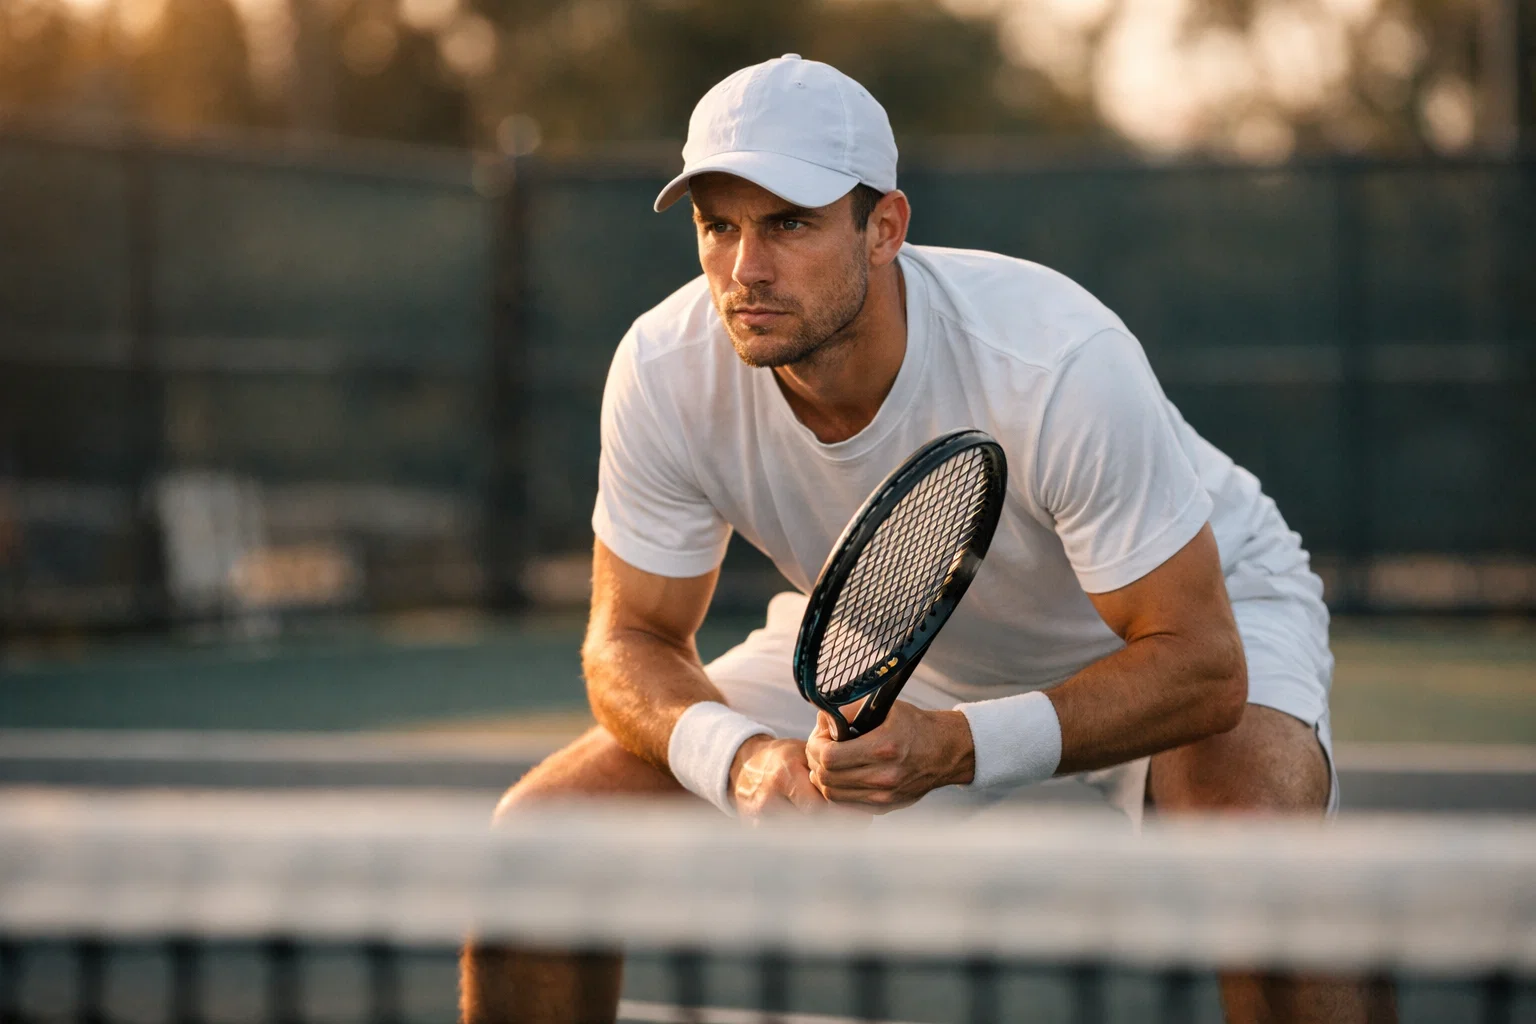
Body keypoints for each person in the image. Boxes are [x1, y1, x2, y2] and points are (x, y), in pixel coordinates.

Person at [462, 55, 1387, 1024]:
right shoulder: (665, 369)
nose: (747, 268)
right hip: (892, 632)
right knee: (537, 856)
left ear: (885, 228)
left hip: (1183, 624)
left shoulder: (1056, 360)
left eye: (788, 223)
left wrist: (953, 747)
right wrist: (740, 760)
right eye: (718, 226)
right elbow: (628, 641)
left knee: (1270, 878)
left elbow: (1202, 665)